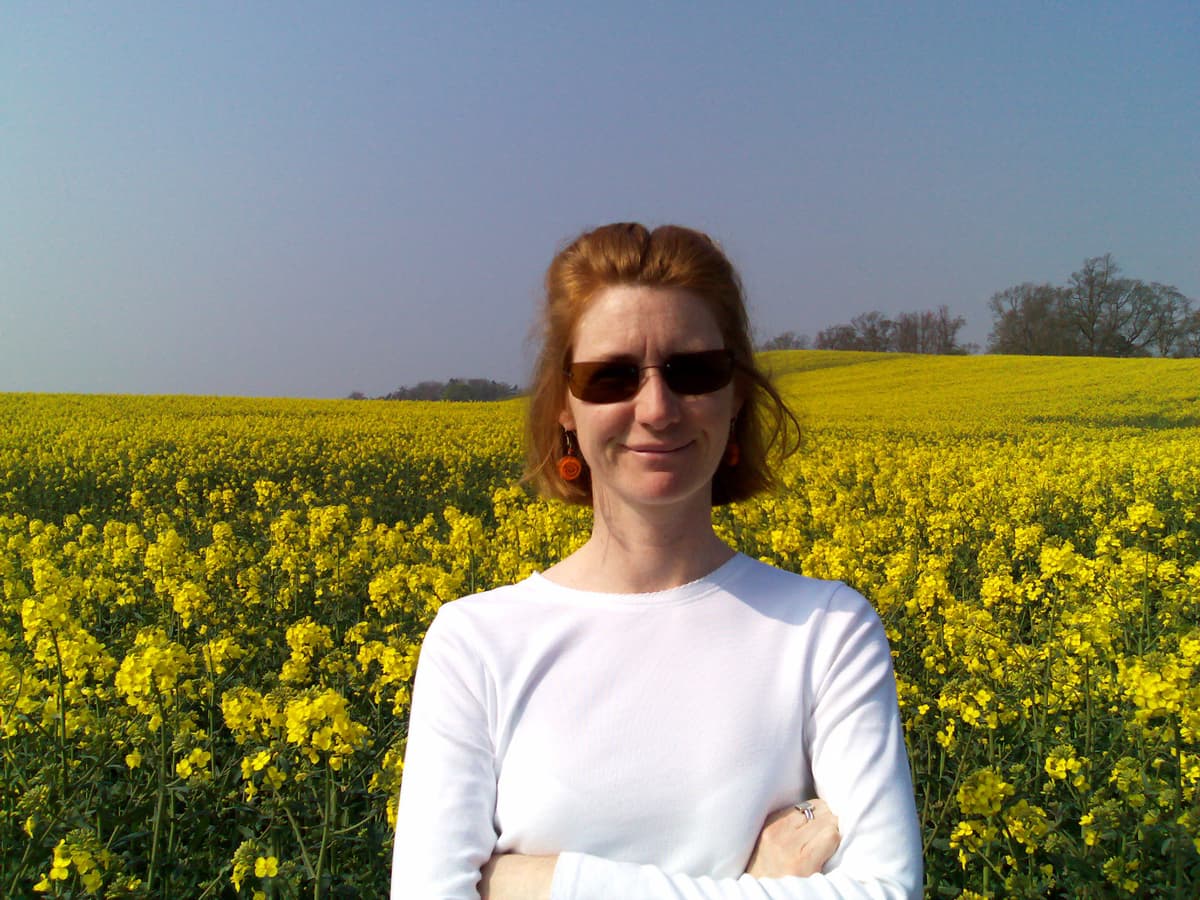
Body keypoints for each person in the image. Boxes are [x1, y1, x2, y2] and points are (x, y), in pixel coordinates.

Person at [391, 223, 923, 899]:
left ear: (735, 396)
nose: (656, 408)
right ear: (564, 406)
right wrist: (757, 884)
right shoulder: (474, 644)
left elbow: (885, 891)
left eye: (693, 372)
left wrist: (541, 884)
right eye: (610, 377)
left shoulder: (827, 630)